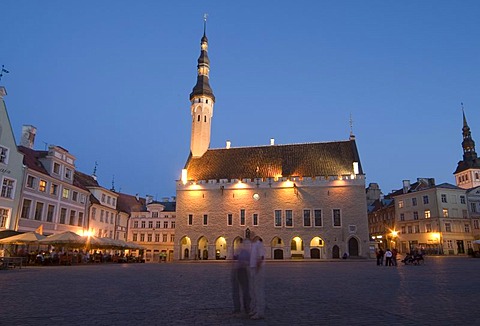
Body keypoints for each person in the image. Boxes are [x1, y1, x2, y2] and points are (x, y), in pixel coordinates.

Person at [231, 239, 251, 316]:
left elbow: (248, 261)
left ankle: (243, 308)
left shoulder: (244, 251)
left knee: (242, 290)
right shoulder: (240, 250)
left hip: (242, 271)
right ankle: (241, 308)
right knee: (240, 290)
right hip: (238, 271)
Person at [249, 238, 265, 320]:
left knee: (258, 292)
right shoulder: (253, 245)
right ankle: (254, 310)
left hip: (257, 270)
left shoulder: (258, 244)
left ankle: (259, 312)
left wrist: (257, 269)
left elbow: (261, 257)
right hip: (252, 269)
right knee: (253, 291)